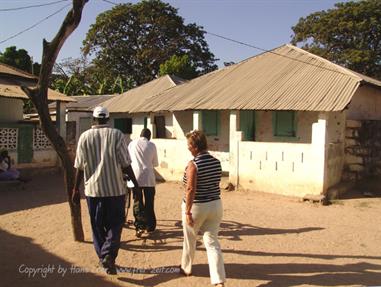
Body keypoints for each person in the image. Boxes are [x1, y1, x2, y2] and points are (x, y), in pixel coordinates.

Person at [72, 106, 139, 275]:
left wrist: (75, 189)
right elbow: (125, 164)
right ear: (108, 119)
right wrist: (136, 185)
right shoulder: (116, 135)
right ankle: (108, 255)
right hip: (115, 190)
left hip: (93, 191)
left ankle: (104, 256)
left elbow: (79, 167)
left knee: (97, 226)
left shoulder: (84, 137)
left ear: (94, 119)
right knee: (115, 225)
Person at [181, 130, 226, 287]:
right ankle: (218, 280)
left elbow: (190, 189)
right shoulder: (216, 162)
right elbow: (214, 182)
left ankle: (186, 268)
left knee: (190, 239)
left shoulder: (193, 165)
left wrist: (187, 211)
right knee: (212, 242)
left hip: (197, 206)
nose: (187, 147)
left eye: (188, 145)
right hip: (215, 205)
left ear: (194, 146)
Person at [128, 128, 159, 237]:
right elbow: (155, 163)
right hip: (149, 178)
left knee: (137, 201)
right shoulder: (151, 145)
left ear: (140, 135)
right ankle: (150, 227)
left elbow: (128, 160)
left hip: (135, 177)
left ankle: (140, 226)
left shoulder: (132, 144)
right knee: (149, 202)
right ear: (149, 136)